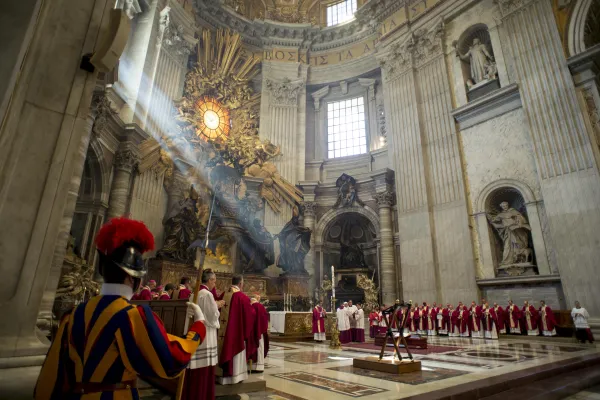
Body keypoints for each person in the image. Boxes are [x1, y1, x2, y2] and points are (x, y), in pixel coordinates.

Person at [34, 217, 207, 400]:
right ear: (133, 279)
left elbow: (50, 379)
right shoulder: (132, 316)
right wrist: (198, 329)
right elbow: (171, 362)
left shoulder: (73, 315)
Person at [183, 269, 222, 400]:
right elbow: (212, 316)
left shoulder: (194, 294)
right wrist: (217, 307)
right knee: (204, 369)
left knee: (196, 368)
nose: (214, 284)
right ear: (210, 280)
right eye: (214, 281)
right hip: (207, 334)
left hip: (195, 334)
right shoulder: (207, 294)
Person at [216, 275, 256, 384]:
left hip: (222, 333)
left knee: (224, 348)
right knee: (235, 351)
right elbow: (250, 315)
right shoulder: (242, 297)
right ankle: (235, 377)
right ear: (240, 284)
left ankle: (222, 377)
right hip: (236, 333)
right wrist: (252, 306)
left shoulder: (224, 294)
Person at [249, 294, 269, 372]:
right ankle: (258, 367)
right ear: (257, 298)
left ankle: (249, 367)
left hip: (251, 332)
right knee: (259, 347)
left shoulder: (249, 306)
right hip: (259, 332)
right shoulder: (260, 306)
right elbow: (264, 320)